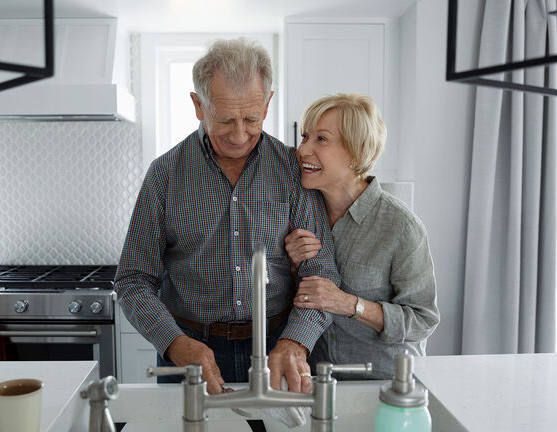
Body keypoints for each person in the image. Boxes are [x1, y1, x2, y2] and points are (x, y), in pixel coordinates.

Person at [115, 38, 340, 394]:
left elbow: (321, 271)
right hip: (189, 348)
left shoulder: (294, 170)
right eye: (225, 119)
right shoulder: (165, 174)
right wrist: (173, 342)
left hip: (277, 345)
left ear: (267, 104)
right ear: (198, 105)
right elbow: (132, 280)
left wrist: (296, 341)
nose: (239, 135)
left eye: (251, 118)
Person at [285, 93, 440, 379]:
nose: (303, 150)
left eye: (321, 139)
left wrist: (349, 304)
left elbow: (422, 320)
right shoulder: (300, 213)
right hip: (319, 383)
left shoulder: (401, 226)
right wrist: (293, 267)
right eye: (305, 137)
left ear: (356, 152)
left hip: (384, 384)